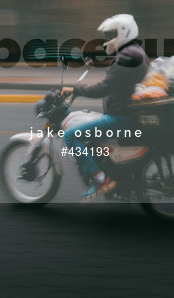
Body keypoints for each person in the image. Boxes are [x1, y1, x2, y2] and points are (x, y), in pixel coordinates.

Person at [63, 13, 149, 200]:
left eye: (111, 35)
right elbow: (116, 78)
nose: (107, 40)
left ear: (123, 32)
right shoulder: (134, 52)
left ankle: (101, 179)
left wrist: (76, 89)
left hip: (121, 117)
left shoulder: (127, 56)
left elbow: (104, 88)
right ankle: (120, 182)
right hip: (128, 113)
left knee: (71, 135)